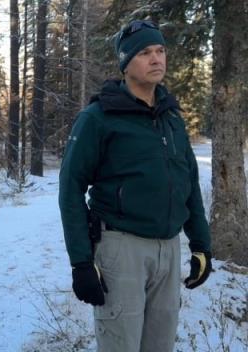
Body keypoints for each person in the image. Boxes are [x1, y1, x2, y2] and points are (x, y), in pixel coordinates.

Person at [58, 20, 212, 352]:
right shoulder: (98, 117)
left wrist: (201, 244)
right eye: (145, 52)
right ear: (126, 63)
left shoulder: (171, 118)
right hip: (121, 248)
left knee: (160, 345)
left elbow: (189, 184)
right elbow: (70, 189)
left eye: (160, 51)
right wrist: (81, 262)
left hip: (169, 249)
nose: (157, 59)